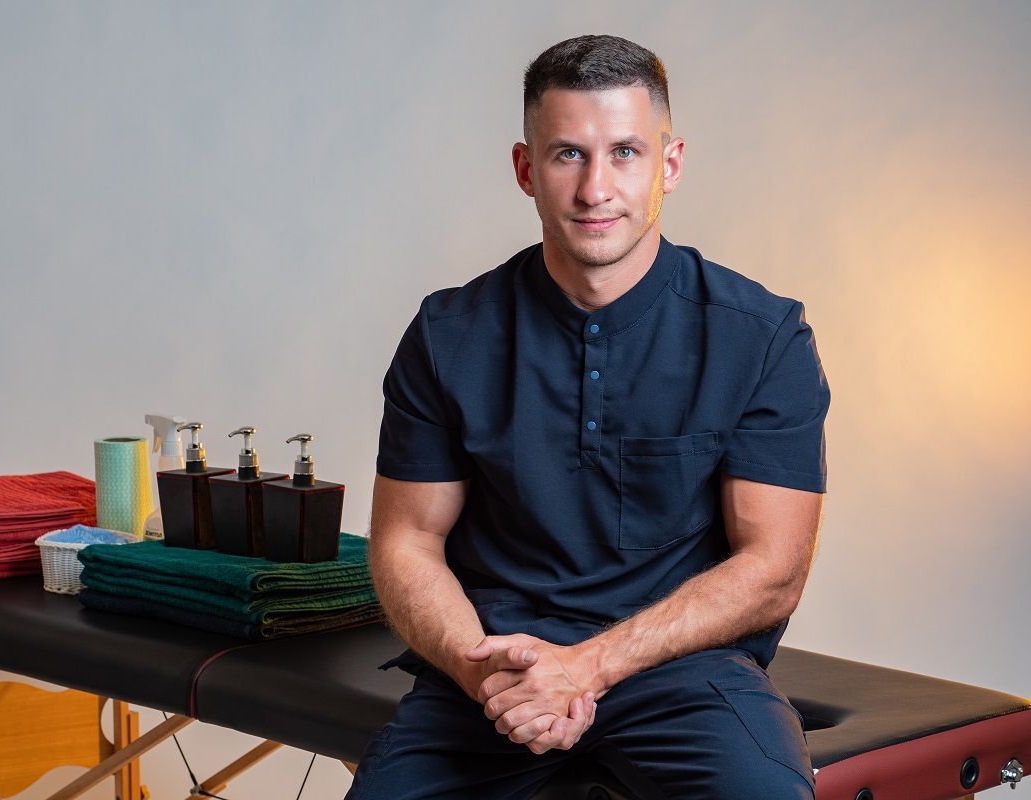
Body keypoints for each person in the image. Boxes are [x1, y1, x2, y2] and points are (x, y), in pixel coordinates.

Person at [347, 34, 830, 800]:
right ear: (525, 169)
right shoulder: (449, 334)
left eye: (626, 153)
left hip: (682, 674)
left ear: (669, 164)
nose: (595, 189)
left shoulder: (763, 337)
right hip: (494, 666)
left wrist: (588, 668)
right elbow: (407, 538)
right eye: (568, 154)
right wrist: (483, 670)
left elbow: (771, 573)